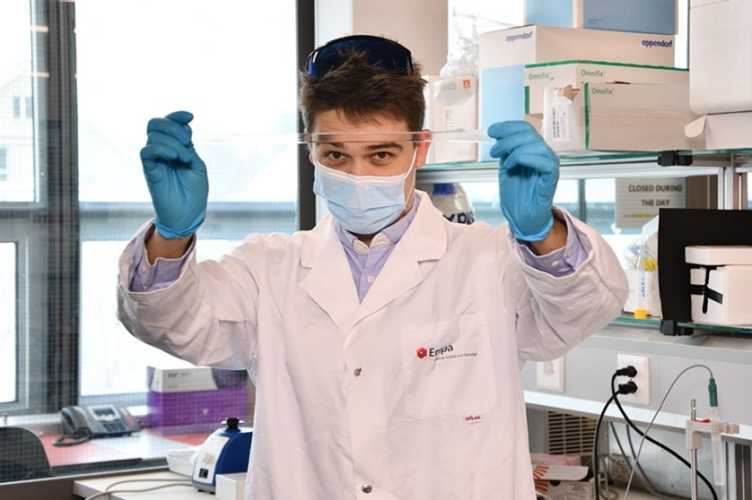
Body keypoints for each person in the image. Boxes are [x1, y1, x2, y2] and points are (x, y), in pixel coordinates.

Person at [117, 35, 628, 500]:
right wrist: (172, 233)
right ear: (310, 151)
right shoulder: (268, 270)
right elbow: (171, 323)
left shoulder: (489, 264)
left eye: (381, 154)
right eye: (335, 154)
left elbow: (585, 308)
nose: (357, 175)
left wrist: (542, 235)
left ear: (419, 148)